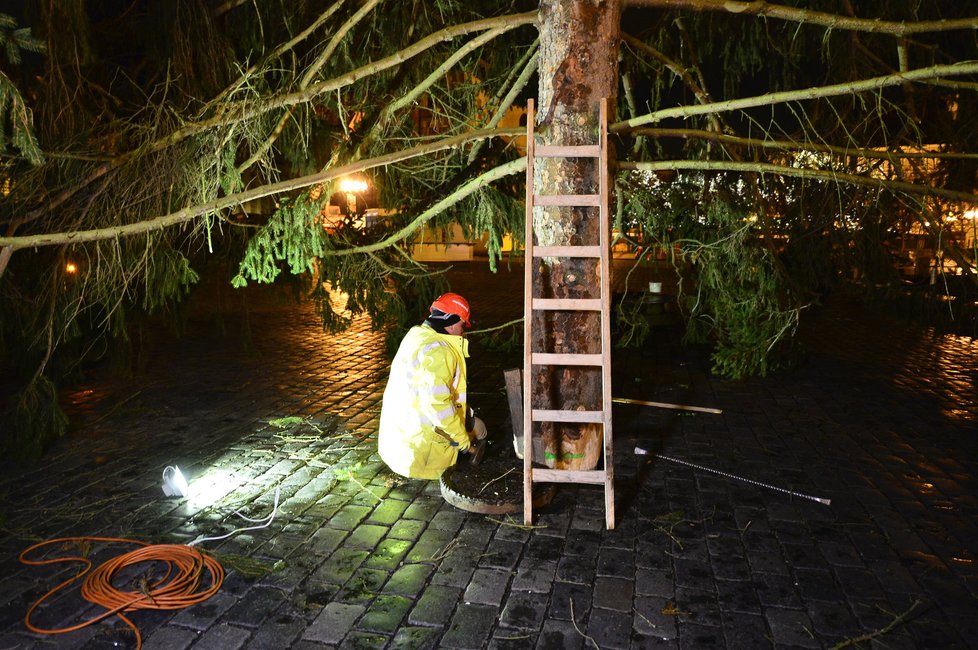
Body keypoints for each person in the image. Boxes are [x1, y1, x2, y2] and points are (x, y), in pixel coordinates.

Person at [378, 292, 488, 479]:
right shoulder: (441, 351)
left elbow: (431, 393)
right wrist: (463, 442)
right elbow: (438, 405)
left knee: (475, 424)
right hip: (420, 458)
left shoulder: (417, 336)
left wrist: (467, 416)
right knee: (480, 430)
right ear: (452, 323)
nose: (463, 331)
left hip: (397, 445)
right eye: (462, 325)